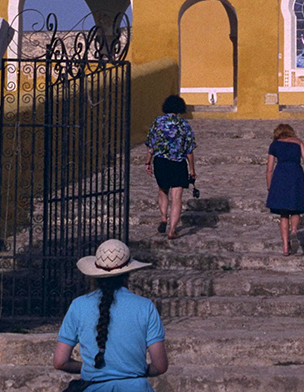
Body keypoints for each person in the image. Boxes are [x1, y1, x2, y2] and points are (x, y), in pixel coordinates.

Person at [53, 239, 168, 391]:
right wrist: (133, 370)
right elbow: (160, 366)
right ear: (128, 274)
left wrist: (92, 369)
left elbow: (60, 362)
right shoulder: (146, 307)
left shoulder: (78, 306)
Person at [145, 95, 196, 240]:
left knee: (162, 190)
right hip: (178, 163)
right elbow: (189, 150)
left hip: (161, 162)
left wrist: (147, 162)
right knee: (177, 197)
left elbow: (151, 145)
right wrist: (192, 170)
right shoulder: (184, 125)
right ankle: (172, 230)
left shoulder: (158, 122)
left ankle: (163, 218)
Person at [265, 123, 304, 256]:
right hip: (296, 174)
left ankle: (286, 247)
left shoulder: (274, 145)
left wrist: (269, 185)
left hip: (280, 175)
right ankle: (294, 231)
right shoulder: (298, 142)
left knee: (283, 212)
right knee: (296, 207)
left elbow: (269, 169)